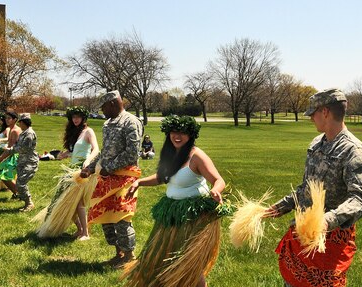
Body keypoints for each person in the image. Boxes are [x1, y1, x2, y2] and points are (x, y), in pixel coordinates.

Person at [265, 89, 362, 287]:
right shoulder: (317, 144)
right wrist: (282, 206)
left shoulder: (354, 151)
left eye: (313, 113)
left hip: (329, 242)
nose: (311, 119)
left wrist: (327, 220)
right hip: (303, 234)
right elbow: (307, 188)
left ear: (325, 112)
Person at [122, 115, 226, 287]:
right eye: (173, 132)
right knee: (163, 255)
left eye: (182, 133)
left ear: (190, 135)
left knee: (188, 261)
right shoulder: (171, 154)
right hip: (172, 214)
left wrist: (215, 190)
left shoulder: (196, 156)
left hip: (192, 215)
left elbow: (218, 179)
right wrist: (140, 182)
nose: (177, 136)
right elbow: (162, 178)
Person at [80, 90, 143, 267]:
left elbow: (132, 153)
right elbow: (105, 152)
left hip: (124, 177)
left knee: (121, 216)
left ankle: (130, 256)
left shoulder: (131, 122)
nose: (102, 111)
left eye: (104, 107)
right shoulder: (108, 124)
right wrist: (91, 168)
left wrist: (110, 167)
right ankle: (119, 253)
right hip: (107, 177)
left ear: (113, 104)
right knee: (106, 216)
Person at [37, 106, 99, 240]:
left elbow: (96, 149)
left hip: (82, 171)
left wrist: (88, 160)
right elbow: (76, 151)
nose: (75, 119)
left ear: (83, 118)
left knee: (78, 202)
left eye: (78, 117)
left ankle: (85, 233)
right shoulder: (75, 133)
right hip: (72, 169)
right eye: (73, 117)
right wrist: (66, 154)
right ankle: (79, 229)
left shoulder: (88, 131)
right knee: (63, 200)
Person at [0, 113, 39, 212]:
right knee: (20, 183)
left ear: (24, 122)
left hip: (30, 162)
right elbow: (17, 145)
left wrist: (10, 149)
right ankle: (25, 201)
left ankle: (29, 203)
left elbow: (23, 148)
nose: (19, 124)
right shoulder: (24, 132)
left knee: (20, 184)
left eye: (20, 122)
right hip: (22, 161)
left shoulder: (29, 134)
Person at [0, 110, 21, 198]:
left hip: (15, 156)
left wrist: (0, 159)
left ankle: (19, 194)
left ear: (15, 119)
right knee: (4, 175)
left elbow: (10, 149)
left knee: (4, 175)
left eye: (9, 118)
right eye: (6, 118)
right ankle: (17, 193)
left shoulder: (15, 131)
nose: (6, 120)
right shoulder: (12, 129)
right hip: (14, 155)